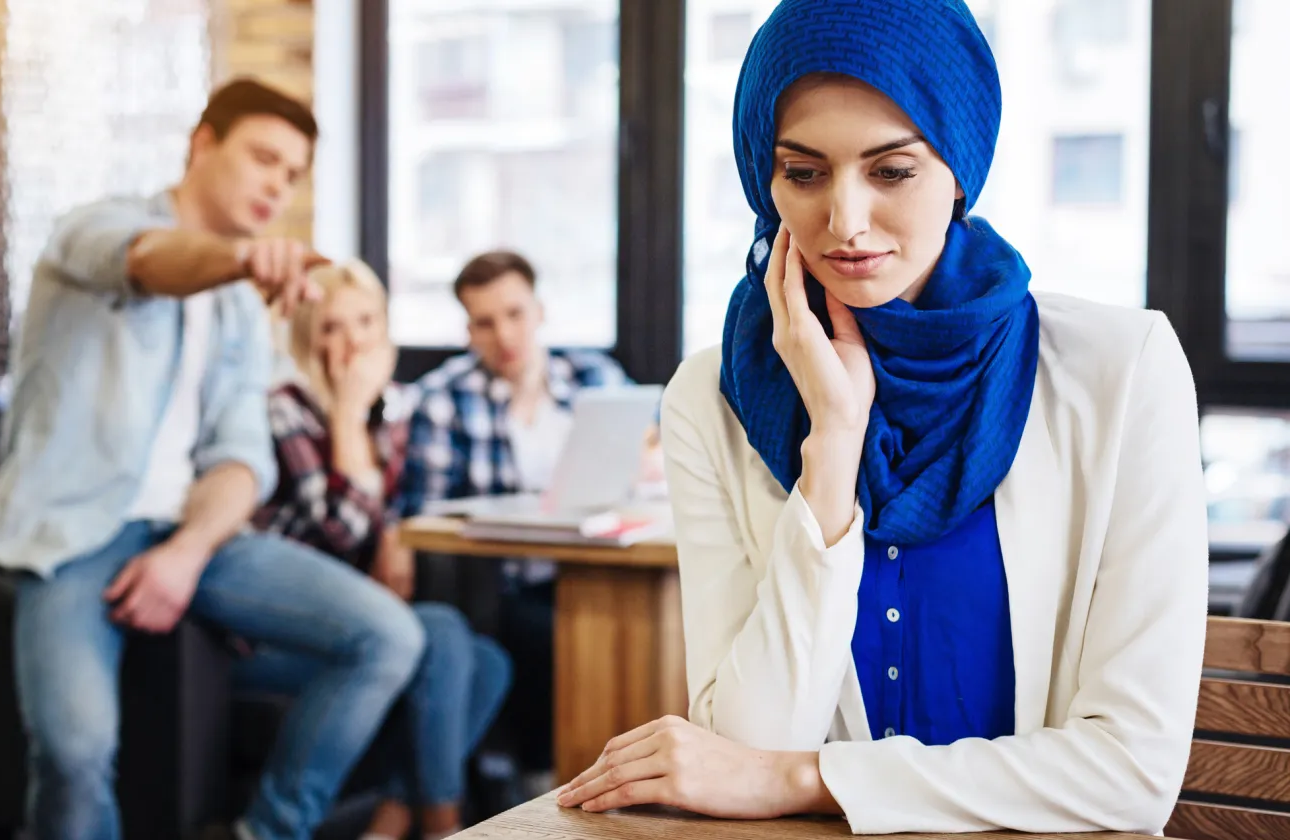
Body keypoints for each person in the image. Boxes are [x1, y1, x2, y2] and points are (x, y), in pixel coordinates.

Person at [557, 0, 1208, 834]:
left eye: (892, 171)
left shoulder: (1123, 371)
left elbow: (1129, 775)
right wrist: (832, 443)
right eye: (804, 172)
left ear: (960, 164)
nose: (847, 221)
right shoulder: (715, 397)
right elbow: (742, 748)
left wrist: (805, 780)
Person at [0, 79, 427, 840]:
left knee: (391, 636)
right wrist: (243, 260)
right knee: (76, 749)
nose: (276, 185)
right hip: (74, 532)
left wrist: (187, 550)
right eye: (263, 158)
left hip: (199, 538)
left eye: (291, 175)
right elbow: (152, 261)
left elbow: (241, 459)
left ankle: (267, 833)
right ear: (202, 144)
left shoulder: (241, 315)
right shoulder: (97, 230)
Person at [252, 259, 512, 840]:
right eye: (332, 327)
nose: (353, 342)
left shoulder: (395, 409)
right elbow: (343, 529)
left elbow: (409, 502)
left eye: (365, 322)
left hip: (370, 616)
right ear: (307, 338)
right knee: (444, 630)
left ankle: (393, 818)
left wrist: (393, 534)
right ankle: (440, 824)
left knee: (490, 663)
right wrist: (344, 412)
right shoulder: (285, 406)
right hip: (289, 628)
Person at [394, 250, 631, 791]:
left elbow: (656, 459)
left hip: (600, 570)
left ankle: (619, 783)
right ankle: (546, 780)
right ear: (468, 329)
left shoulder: (596, 379)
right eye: (484, 322)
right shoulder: (444, 398)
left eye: (514, 314)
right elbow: (422, 516)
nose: (504, 335)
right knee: (546, 635)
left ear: (540, 311)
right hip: (502, 583)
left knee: (629, 631)